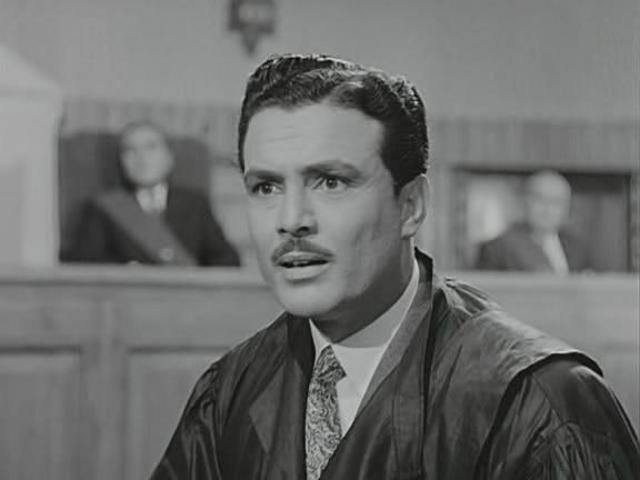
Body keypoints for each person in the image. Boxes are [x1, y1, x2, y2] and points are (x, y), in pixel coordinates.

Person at [151, 54, 639, 479]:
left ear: (411, 206)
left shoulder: (542, 404)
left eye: (331, 181)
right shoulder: (229, 391)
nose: (291, 219)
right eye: (266, 187)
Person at [66, 120, 241, 266]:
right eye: (130, 150)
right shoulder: (101, 209)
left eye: (150, 147)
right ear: (121, 162)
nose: (141, 157)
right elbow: (83, 265)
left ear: (168, 158)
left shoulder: (195, 204)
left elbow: (227, 261)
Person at [475, 170, 591, 273]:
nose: (548, 209)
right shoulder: (497, 248)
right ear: (525, 202)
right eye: (540, 199)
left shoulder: (578, 248)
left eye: (556, 202)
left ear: (567, 208)